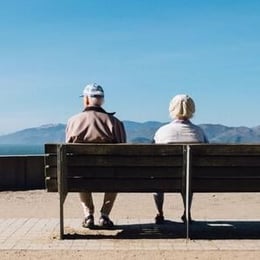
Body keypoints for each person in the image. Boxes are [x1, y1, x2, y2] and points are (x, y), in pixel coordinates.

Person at [66, 83, 126, 228]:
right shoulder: (115, 122)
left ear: (86, 99)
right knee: (115, 175)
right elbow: (123, 150)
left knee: (79, 172)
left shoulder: (73, 121)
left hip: (82, 174)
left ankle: (88, 215)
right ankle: (104, 215)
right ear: (102, 100)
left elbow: (67, 151)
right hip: (109, 174)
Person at [153, 94, 208, 224]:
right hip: (192, 179)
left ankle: (160, 213)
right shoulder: (199, 132)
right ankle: (186, 212)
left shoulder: (162, 131)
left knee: (156, 177)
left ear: (171, 109)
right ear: (192, 109)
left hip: (165, 177)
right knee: (188, 176)